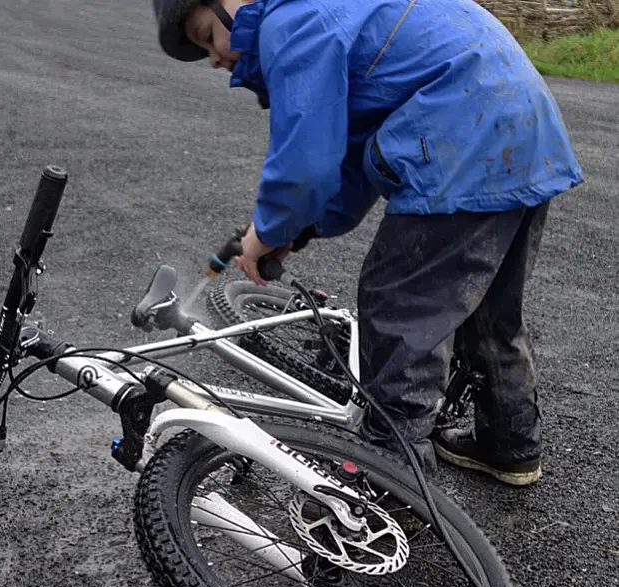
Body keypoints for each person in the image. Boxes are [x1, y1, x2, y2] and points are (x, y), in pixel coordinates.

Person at [152, 0, 583, 485]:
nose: (213, 57)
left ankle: (392, 486)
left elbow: (305, 167)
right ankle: (510, 444)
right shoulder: (336, 9)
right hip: (523, 134)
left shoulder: (290, 22)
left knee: (398, 307)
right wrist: (303, 228)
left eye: (207, 35)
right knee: (490, 310)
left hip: (461, 136)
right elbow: (355, 153)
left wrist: (268, 231)